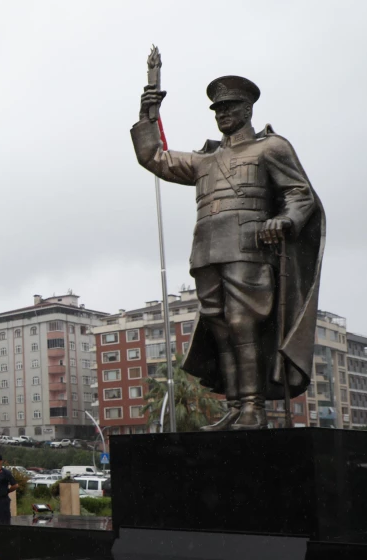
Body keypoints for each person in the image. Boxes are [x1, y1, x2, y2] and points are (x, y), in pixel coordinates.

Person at [134, 74, 322, 430]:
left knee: (242, 323)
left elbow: (300, 194)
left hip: (248, 246)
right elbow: (153, 157)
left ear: (248, 109)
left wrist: (285, 221)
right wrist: (148, 117)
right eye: (217, 109)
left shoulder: (271, 148)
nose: (222, 114)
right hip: (206, 251)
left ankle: (253, 407)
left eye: (229, 107)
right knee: (220, 328)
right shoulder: (205, 160)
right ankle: (236, 406)